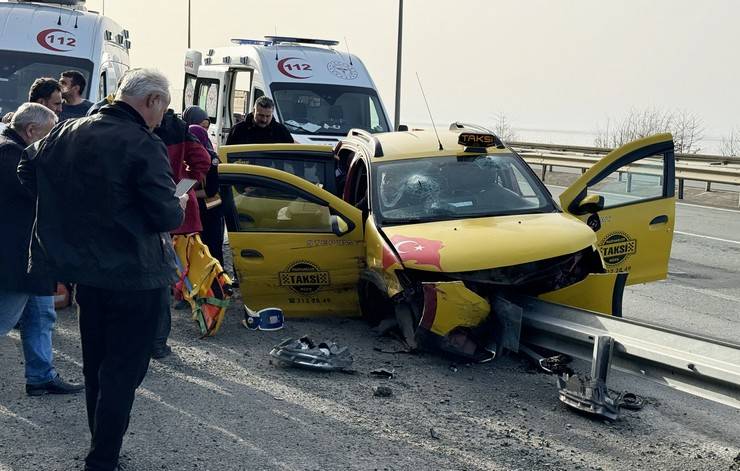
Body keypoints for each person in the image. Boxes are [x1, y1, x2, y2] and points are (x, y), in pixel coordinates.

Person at [18, 68, 186, 471]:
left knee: (96, 363)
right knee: (124, 367)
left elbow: (26, 171)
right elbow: (164, 214)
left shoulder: (66, 130)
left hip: (88, 272)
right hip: (135, 273)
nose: (161, 117)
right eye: (161, 108)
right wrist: (177, 206)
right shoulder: (143, 143)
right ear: (150, 101)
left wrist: (73, 211)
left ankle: (103, 448)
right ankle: (103, 457)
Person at [0, 103, 84, 396]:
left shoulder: (13, 148)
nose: (54, 142)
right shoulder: (9, 153)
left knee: (41, 316)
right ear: (32, 130)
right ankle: (40, 375)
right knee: (4, 319)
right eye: (50, 135)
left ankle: (40, 376)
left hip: (29, 258)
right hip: (14, 259)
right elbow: (38, 194)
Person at [152, 107, 210, 359]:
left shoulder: (137, 127)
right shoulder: (179, 128)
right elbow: (204, 161)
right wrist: (182, 188)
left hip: (144, 214)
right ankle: (157, 341)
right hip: (176, 213)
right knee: (174, 268)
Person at [184, 105, 225, 265]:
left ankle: (218, 285)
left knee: (212, 249)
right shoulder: (184, 158)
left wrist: (185, 193)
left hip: (211, 210)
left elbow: (211, 190)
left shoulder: (210, 159)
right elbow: (182, 186)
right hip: (194, 212)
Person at [225, 96, 294, 145]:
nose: (264, 120)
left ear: (272, 113)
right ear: (253, 111)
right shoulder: (238, 130)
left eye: (268, 116)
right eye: (261, 115)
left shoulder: (281, 131)